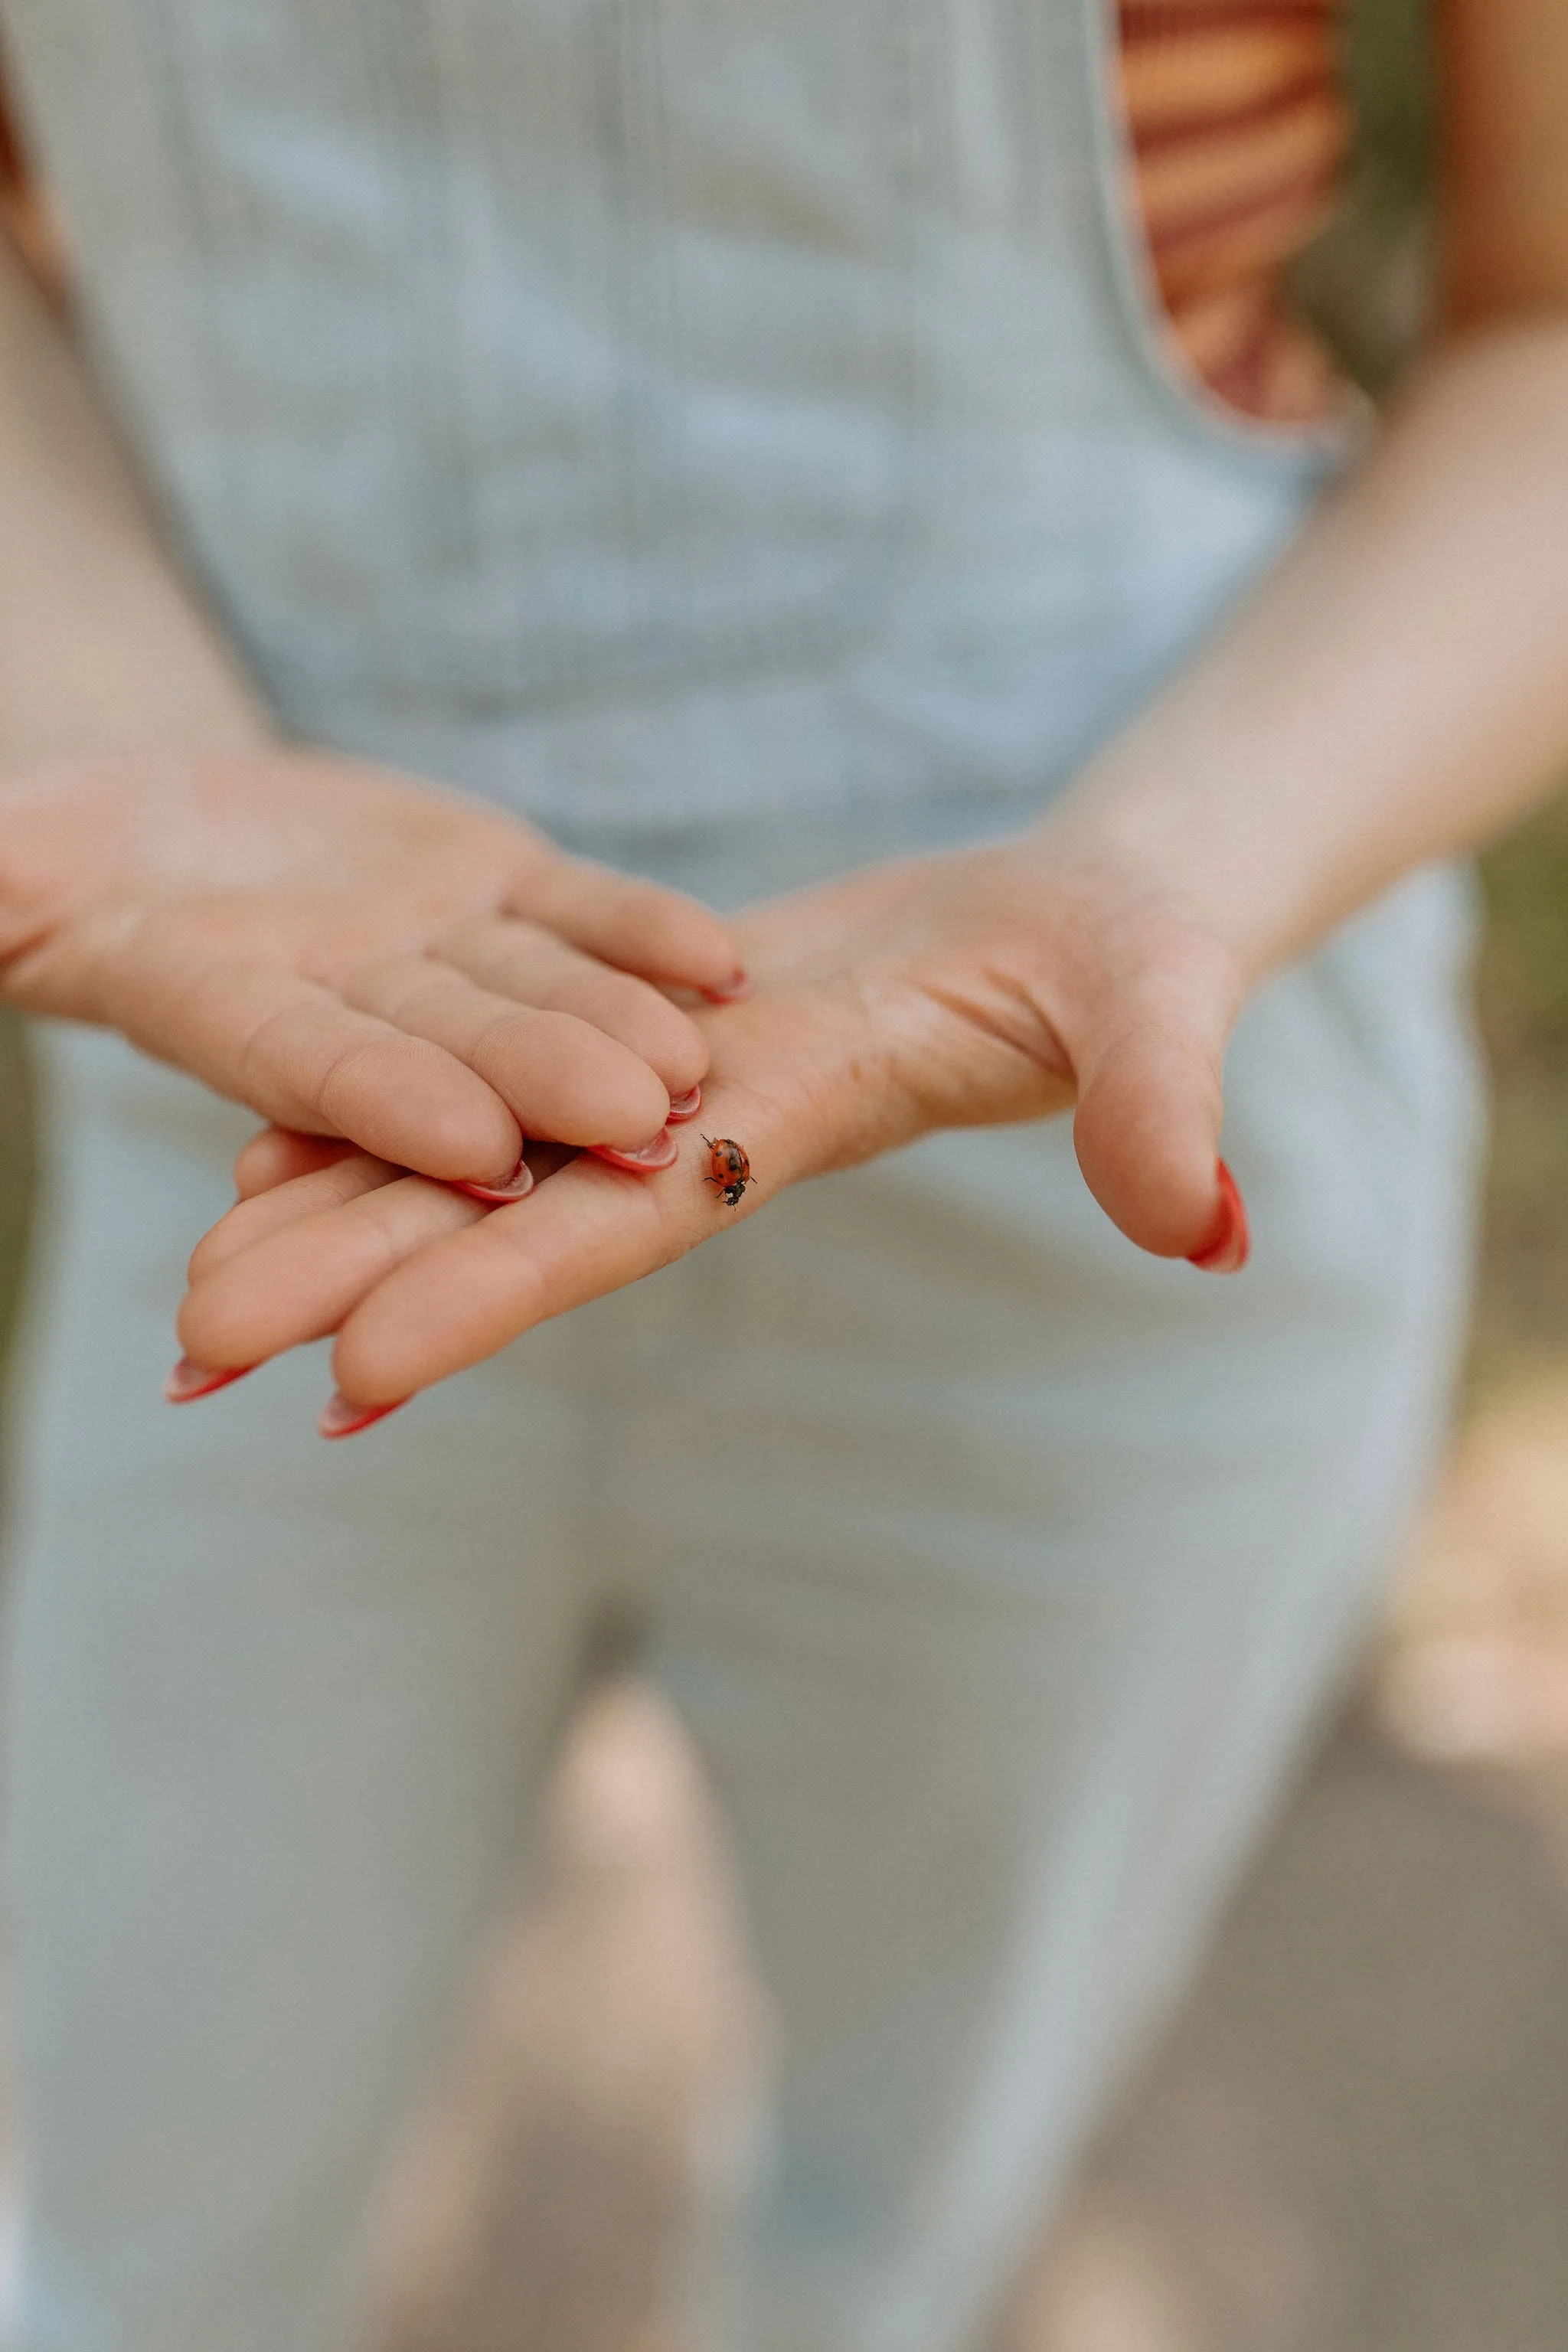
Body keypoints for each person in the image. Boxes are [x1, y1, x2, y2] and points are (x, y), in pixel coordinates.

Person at [0, 2, 1565, 2346]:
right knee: (136, 2206)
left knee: (901, 2205)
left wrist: (1165, 876)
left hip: (1114, 1129)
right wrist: (112, 745)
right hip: (276, 1121)